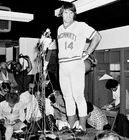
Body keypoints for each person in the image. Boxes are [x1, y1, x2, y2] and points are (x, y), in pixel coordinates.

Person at [57, 2, 101, 136]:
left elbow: (97, 36)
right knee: (67, 97)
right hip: (63, 65)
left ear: (74, 14)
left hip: (76, 63)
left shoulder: (80, 25)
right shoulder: (59, 28)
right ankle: (71, 126)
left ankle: (82, 127)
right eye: (66, 12)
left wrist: (87, 52)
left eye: (71, 12)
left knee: (78, 96)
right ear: (61, 13)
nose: (69, 15)